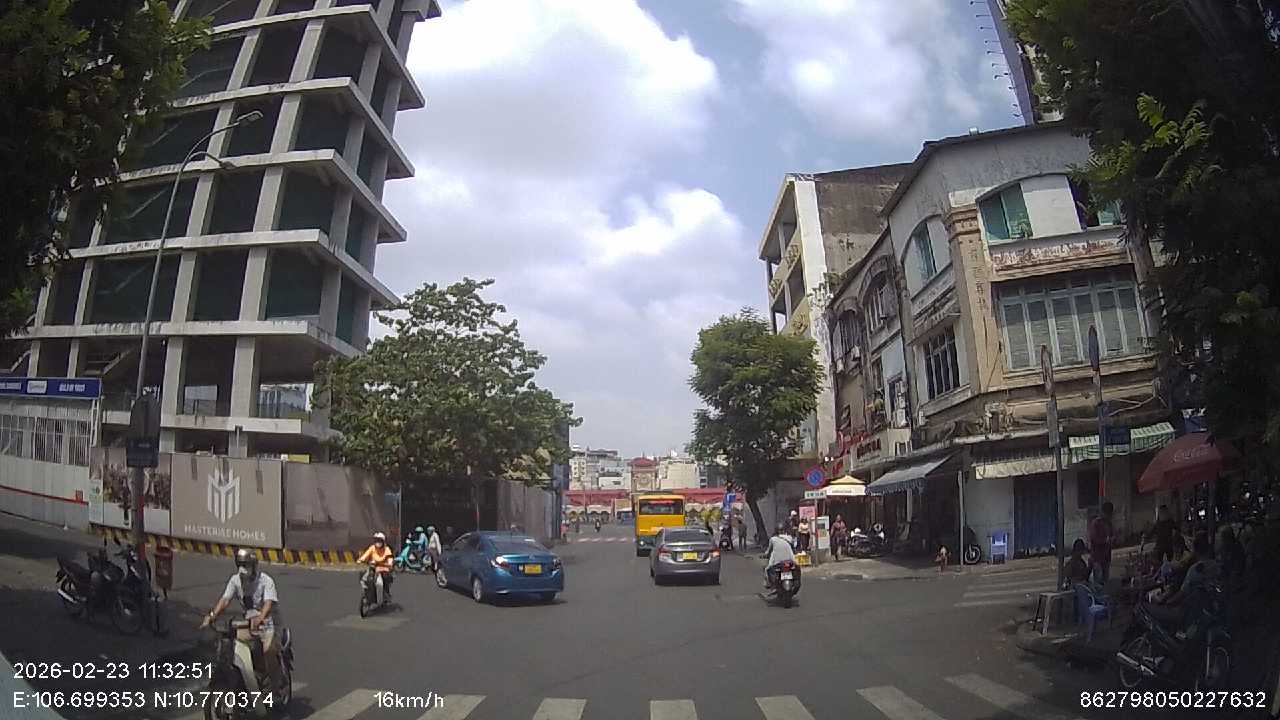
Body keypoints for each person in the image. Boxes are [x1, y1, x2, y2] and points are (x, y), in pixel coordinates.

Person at [199, 549, 286, 691]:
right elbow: (225, 600)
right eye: (240, 565)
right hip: (250, 624)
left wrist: (260, 618)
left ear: (254, 566)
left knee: (267, 650)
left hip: (269, 623)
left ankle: (276, 684)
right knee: (233, 645)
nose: (243, 569)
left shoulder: (266, 581)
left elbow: (268, 604)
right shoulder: (235, 580)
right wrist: (212, 616)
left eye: (246, 565)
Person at [1150, 531, 1220, 625]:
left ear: (1195, 551)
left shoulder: (1194, 570)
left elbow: (1181, 595)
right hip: (1211, 612)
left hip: (1191, 615)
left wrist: (1166, 603)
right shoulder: (1217, 566)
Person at [357, 532, 395, 598]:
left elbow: (390, 557)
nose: (378, 543)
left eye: (380, 541)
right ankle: (368, 593)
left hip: (384, 567)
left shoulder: (387, 549)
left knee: (386, 577)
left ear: (383, 542)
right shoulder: (372, 548)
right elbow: (366, 554)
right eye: (377, 540)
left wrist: (390, 563)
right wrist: (361, 560)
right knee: (367, 577)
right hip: (374, 567)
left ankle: (386, 594)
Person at [1088, 501, 1116, 584]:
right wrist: (1105, 540)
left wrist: (1113, 539)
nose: (1109, 516)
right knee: (1098, 582)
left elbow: (1112, 535)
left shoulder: (1109, 523)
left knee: (1105, 580)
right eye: (1108, 514)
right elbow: (1094, 538)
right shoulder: (1096, 523)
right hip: (1097, 557)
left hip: (1106, 557)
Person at [763, 523, 797, 590]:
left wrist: (766, 554)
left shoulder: (773, 539)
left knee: (767, 569)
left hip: (777, 561)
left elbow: (769, 550)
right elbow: (793, 548)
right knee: (796, 568)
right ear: (784, 530)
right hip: (790, 560)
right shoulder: (789, 538)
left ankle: (769, 584)